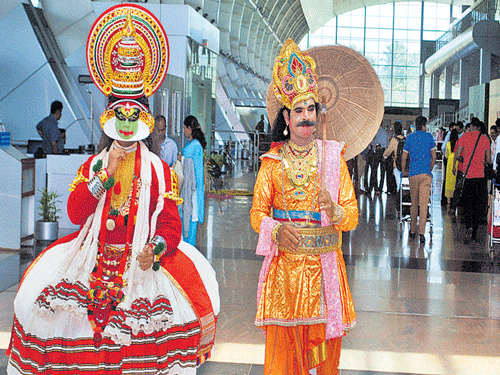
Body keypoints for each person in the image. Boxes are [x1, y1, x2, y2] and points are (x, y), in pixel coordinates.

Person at [7, 7, 219, 374]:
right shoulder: (93, 165)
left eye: (132, 114)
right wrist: (102, 179)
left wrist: (156, 248)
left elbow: (170, 225)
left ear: (144, 118)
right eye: (118, 113)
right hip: (90, 262)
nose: (125, 122)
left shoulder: (159, 171)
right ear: (109, 116)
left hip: (140, 269)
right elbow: (75, 213)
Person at [250, 39, 358, 375]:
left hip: (324, 276)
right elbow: (256, 214)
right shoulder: (271, 162)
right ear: (286, 116)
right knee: (284, 361)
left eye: (311, 109)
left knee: (323, 360)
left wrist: (335, 210)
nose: (307, 117)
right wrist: (277, 230)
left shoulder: (332, 159)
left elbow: (352, 216)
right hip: (285, 276)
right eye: (299, 111)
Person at [453, 119, 491, 243]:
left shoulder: (464, 136)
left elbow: (457, 155)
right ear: (479, 127)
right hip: (480, 177)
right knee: (477, 205)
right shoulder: (485, 139)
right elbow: (489, 159)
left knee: (467, 204)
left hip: (468, 176)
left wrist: (466, 161)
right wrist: (481, 162)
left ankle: (468, 226)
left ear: (472, 126)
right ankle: (474, 233)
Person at [401, 115, 436, 243]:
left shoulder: (410, 137)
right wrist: (430, 169)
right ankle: (421, 233)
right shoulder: (429, 137)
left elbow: (404, 157)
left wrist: (404, 170)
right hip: (425, 174)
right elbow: (434, 156)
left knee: (413, 203)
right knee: (424, 204)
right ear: (423, 125)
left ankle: (412, 231)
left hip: (413, 174)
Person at [180, 115, 206, 246]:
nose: (183, 130)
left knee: (191, 218)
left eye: (184, 127)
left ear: (189, 128)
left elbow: (194, 169)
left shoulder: (195, 146)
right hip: (187, 190)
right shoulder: (190, 143)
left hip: (193, 190)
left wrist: (181, 159)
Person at [383, 120, 406, 193]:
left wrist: (384, 156)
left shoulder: (394, 140)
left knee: (399, 185)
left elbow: (387, 152)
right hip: (405, 165)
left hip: (397, 165)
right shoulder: (405, 139)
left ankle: (399, 199)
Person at [444, 129, 459, 213]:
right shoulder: (458, 143)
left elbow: (446, 155)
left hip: (450, 161)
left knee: (449, 181)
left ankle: (448, 201)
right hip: (456, 161)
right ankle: (455, 199)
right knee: (455, 180)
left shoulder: (448, 144)